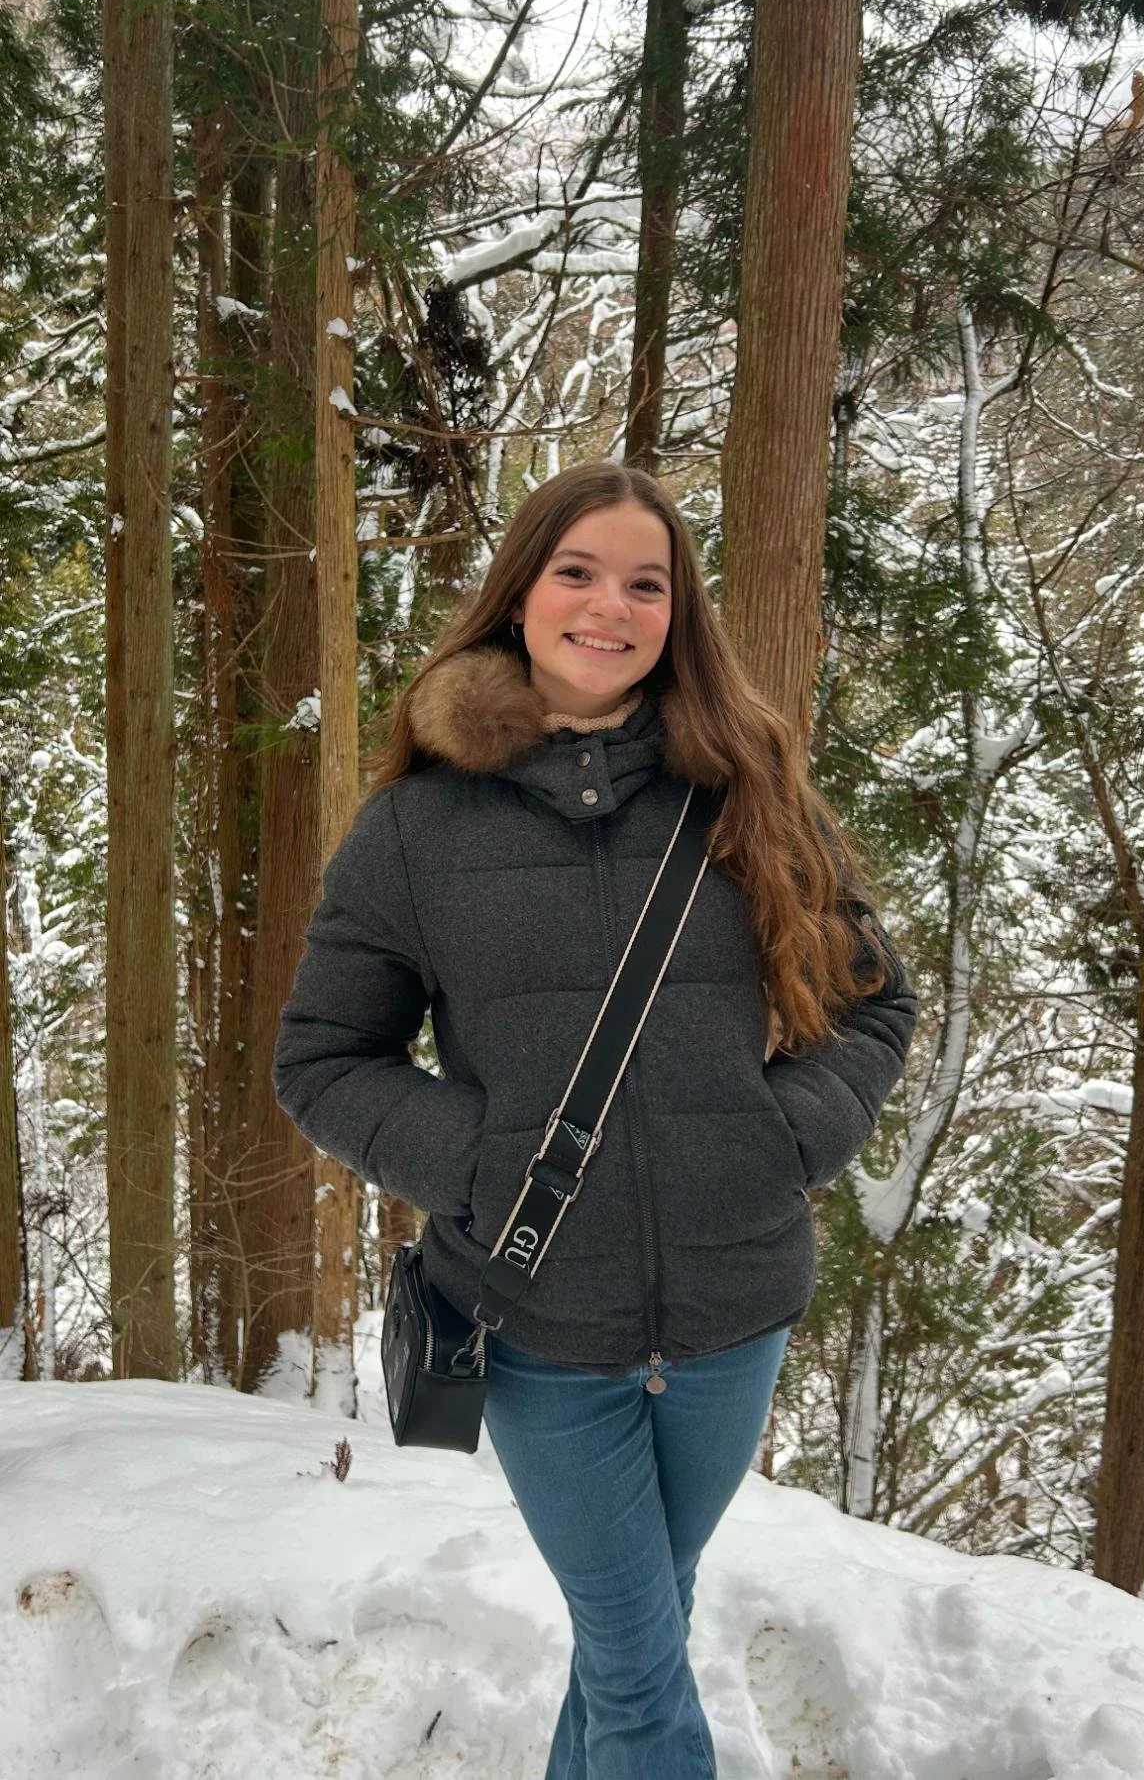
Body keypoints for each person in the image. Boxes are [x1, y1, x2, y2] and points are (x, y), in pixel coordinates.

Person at [272, 459, 919, 1779]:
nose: (609, 606)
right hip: (534, 1322)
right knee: (637, 1676)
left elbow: (871, 1005)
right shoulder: (413, 830)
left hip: (735, 1309)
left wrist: (781, 1136)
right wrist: (479, 1158)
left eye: (646, 581)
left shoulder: (748, 786)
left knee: (640, 1632)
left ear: (677, 612)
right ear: (519, 594)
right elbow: (323, 1056)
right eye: (576, 571)